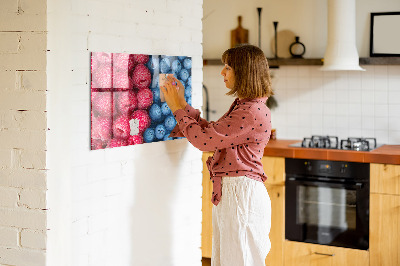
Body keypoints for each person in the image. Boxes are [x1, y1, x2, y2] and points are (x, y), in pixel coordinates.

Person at [161, 44, 273, 266]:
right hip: (236, 193)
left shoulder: (250, 111)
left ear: (244, 72)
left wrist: (176, 108)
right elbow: (212, 133)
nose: (222, 72)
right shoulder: (246, 106)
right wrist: (182, 104)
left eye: (228, 67)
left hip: (241, 195)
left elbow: (204, 141)